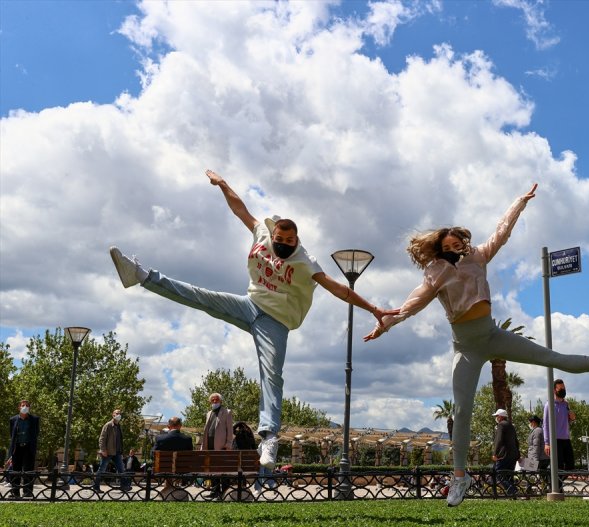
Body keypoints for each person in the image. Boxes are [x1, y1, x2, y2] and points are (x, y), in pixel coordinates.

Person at [364, 183, 589, 506]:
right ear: (440, 248)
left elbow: (502, 232)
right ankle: (459, 477)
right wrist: (384, 326)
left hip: (493, 335)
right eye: (449, 244)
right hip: (466, 348)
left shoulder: (478, 256)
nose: (456, 247)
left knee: (553, 357)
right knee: (461, 410)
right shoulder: (435, 273)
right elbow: (410, 305)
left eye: (459, 242)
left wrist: (519, 203)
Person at [109, 169, 395, 470]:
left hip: (275, 320)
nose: (283, 243)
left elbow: (339, 289)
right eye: (280, 239)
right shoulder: (261, 233)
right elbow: (239, 209)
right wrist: (222, 184)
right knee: (200, 296)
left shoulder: (304, 261)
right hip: (250, 304)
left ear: (297, 240)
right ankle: (141, 276)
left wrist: (374, 309)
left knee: (271, 373)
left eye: (289, 240)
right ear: (273, 236)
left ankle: (269, 436)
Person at [152, 416, 193, 500]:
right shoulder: (188, 439)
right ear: (180, 426)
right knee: (176, 468)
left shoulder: (160, 438)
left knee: (168, 469)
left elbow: (152, 454)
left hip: (163, 468)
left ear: (168, 426)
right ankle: (174, 486)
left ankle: (168, 488)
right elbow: (190, 455)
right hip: (182, 469)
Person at [200, 393, 233, 499]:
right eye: (213, 400)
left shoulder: (227, 412)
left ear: (221, 401)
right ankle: (214, 492)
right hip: (209, 447)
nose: (214, 402)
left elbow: (230, 430)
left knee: (223, 470)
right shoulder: (209, 413)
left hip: (222, 447)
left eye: (217, 400)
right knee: (212, 471)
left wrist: (228, 444)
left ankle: (225, 492)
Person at [7, 400, 40, 498]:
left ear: (29, 408)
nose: (25, 407)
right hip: (17, 448)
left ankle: (28, 492)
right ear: (19, 407)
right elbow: (12, 434)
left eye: (27, 405)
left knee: (28, 470)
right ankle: (15, 492)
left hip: (28, 447)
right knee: (15, 471)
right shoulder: (13, 419)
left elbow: (36, 433)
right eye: (23, 405)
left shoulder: (35, 419)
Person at [94, 409, 131, 492]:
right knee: (102, 469)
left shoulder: (119, 426)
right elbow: (102, 438)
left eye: (120, 413)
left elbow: (120, 441)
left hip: (117, 452)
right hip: (108, 452)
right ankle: (96, 487)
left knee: (121, 470)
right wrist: (103, 450)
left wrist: (122, 452)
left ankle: (124, 486)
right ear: (113, 415)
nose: (119, 415)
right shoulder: (108, 425)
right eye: (117, 413)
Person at [543, 379, 576, 473]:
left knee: (571, 466)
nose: (563, 390)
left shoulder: (566, 404)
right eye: (560, 388)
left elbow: (568, 421)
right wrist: (546, 443)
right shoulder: (549, 405)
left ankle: (556, 483)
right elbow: (545, 424)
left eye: (564, 388)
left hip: (566, 438)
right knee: (559, 466)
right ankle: (556, 486)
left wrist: (572, 418)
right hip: (555, 440)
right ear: (554, 390)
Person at [491, 409, 519, 496]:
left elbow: (499, 440)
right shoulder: (511, 426)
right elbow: (516, 441)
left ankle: (513, 490)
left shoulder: (501, 425)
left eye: (496, 416)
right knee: (509, 475)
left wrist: (495, 453)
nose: (496, 418)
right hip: (513, 455)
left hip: (503, 455)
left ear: (500, 417)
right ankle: (512, 495)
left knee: (498, 474)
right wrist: (518, 454)